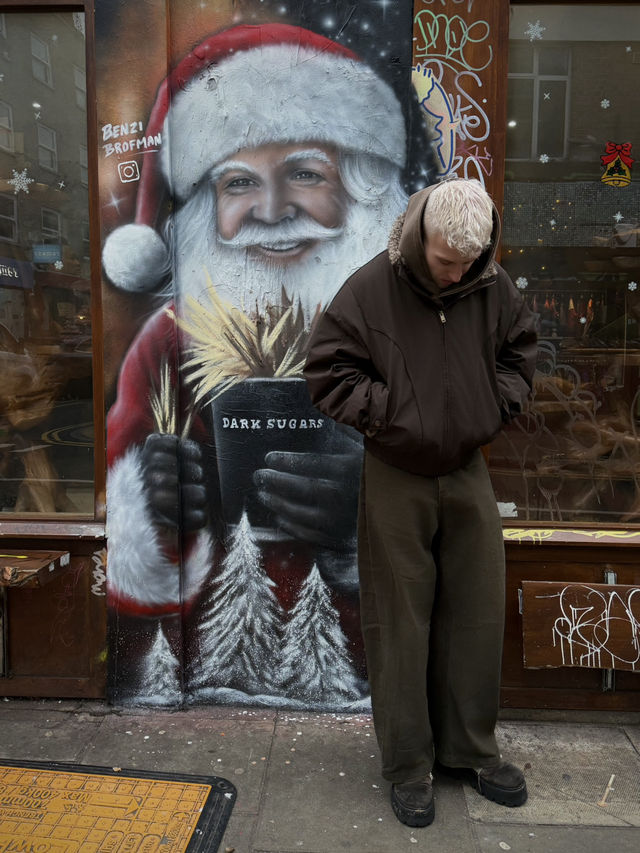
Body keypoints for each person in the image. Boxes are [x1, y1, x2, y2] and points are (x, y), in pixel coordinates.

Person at [102, 22, 436, 701]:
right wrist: (151, 505)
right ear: (209, 208)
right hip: (217, 672)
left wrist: (374, 508)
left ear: (362, 188)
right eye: (238, 182)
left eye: (306, 173)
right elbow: (128, 589)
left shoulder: (407, 332)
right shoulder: (169, 342)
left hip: (376, 672)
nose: (273, 209)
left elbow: (448, 466)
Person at [303, 179, 538, 825]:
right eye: (445, 261)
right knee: (399, 621)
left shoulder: (492, 284)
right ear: (419, 237)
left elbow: (520, 355)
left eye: (470, 261)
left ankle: (471, 750)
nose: (458, 274)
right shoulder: (369, 288)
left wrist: (488, 408)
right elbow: (326, 372)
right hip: (395, 471)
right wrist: (394, 416)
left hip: (467, 468)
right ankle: (409, 765)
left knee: (477, 611)